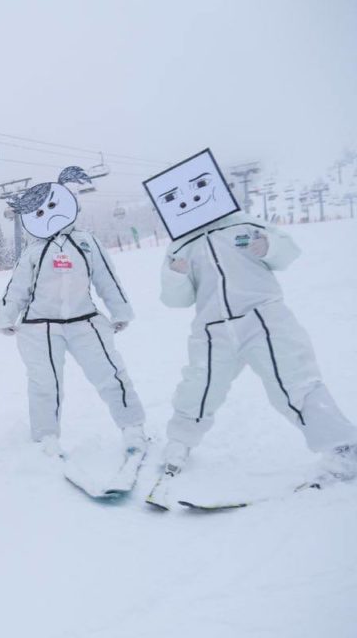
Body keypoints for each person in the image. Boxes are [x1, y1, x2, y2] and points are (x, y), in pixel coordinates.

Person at [147, 214, 357, 507]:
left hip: (263, 317)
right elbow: (175, 299)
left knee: (293, 381)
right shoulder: (180, 244)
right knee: (199, 387)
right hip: (212, 328)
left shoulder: (244, 224)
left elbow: (288, 252)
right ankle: (179, 443)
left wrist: (268, 246)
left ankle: (343, 449)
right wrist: (176, 275)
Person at [0, 167, 147, 460]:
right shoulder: (33, 252)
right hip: (40, 327)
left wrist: (119, 310)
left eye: (52, 206)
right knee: (45, 383)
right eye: (38, 213)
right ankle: (46, 437)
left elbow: (106, 278)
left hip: (84, 321)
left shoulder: (86, 242)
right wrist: (5, 316)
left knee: (110, 373)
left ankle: (133, 427)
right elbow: (17, 288)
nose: (48, 215)